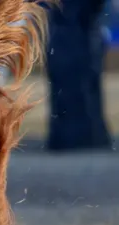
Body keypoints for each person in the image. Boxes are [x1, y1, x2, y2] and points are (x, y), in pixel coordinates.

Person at [45, 0, 112, 151]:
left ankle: (79, 138)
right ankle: (84, 138)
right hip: (73, 37)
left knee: (80, 90)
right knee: (76, 91)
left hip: (74, 37)